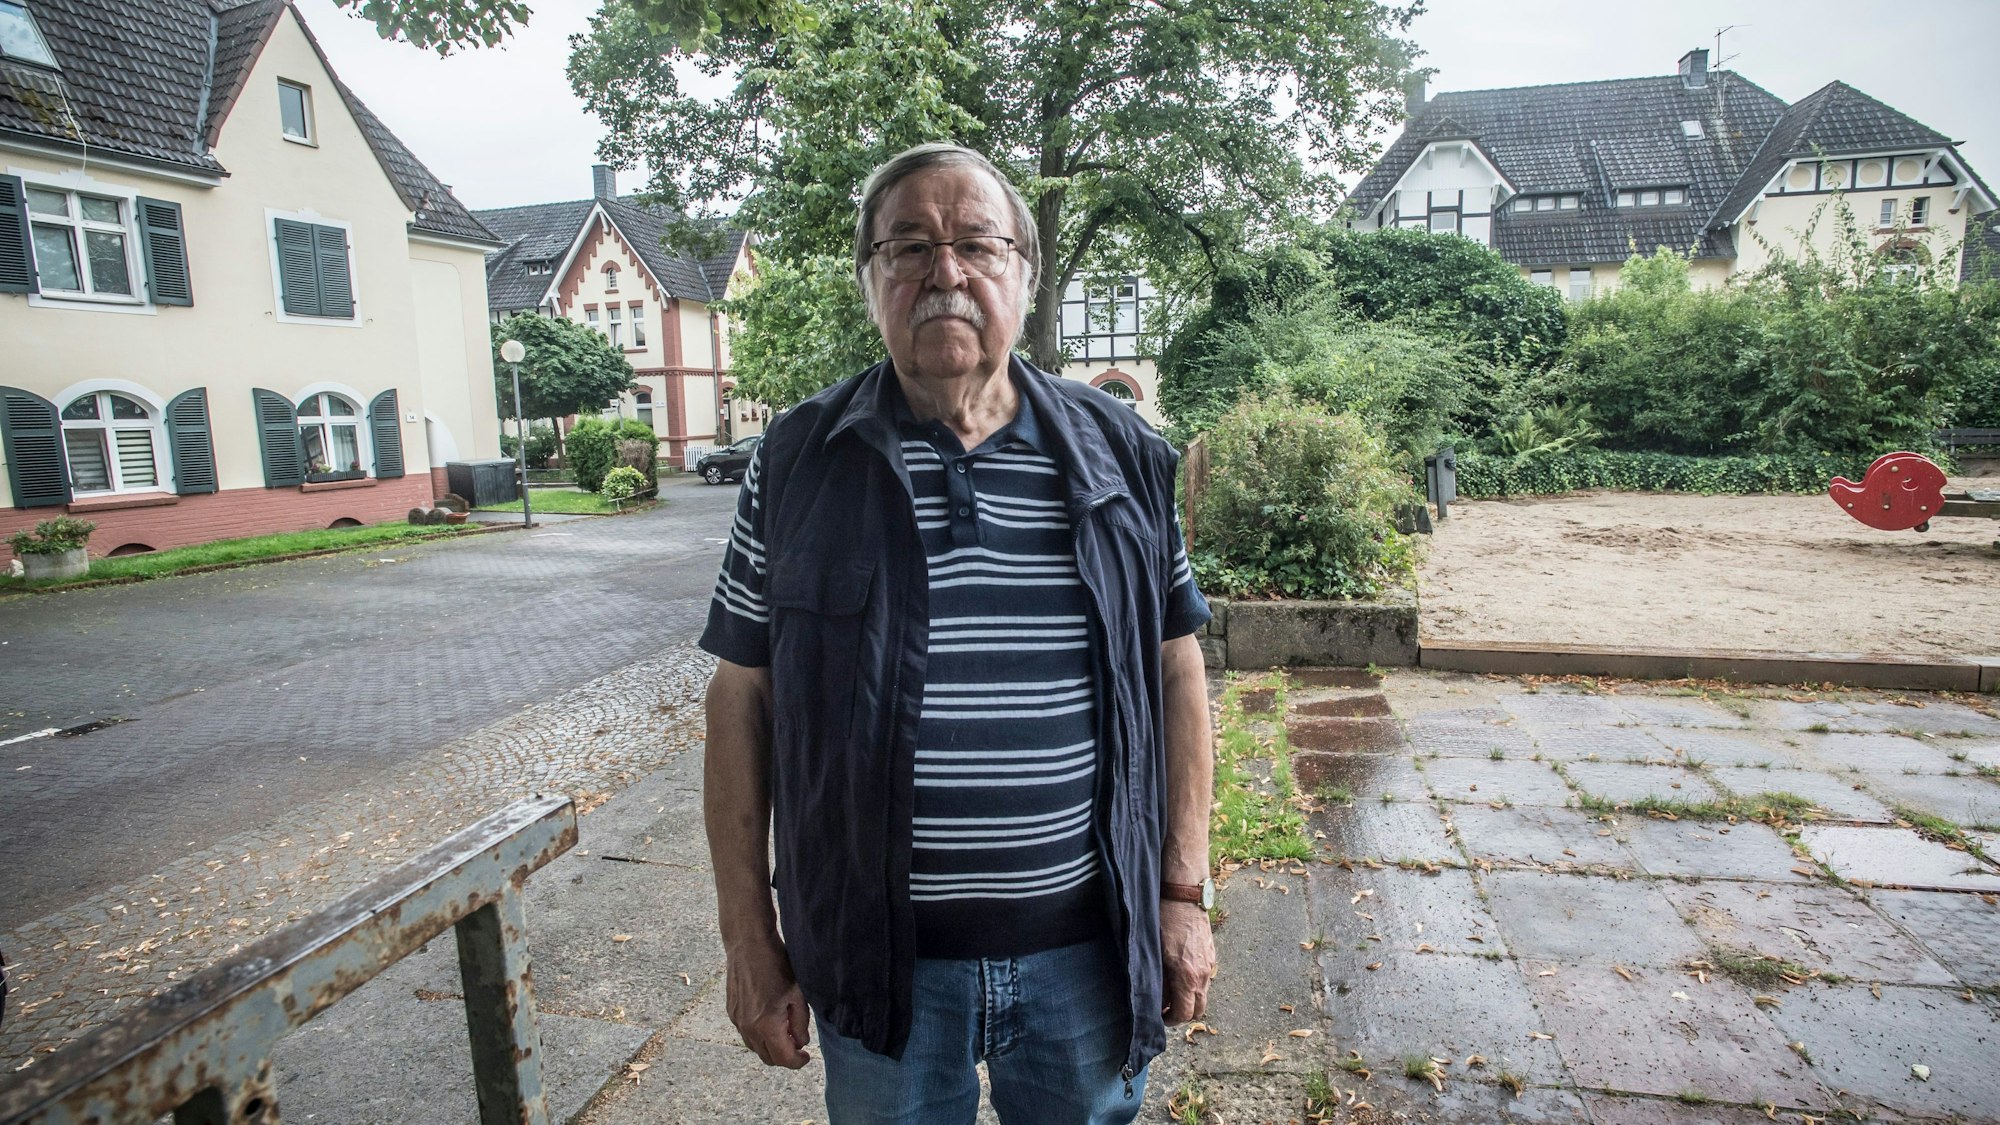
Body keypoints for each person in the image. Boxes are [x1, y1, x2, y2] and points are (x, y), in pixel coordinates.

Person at [699, 142, 1215, 1125]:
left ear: (1021, 270)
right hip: (876, 967)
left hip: (1088, 958)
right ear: (870, 282)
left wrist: (1181, 893)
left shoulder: (1123, 456)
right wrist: (747, 938)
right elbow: (741, 699)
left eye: (976, 242)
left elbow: (1176, 672)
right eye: (907, 246)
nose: (944, 270)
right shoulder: (797, 461)